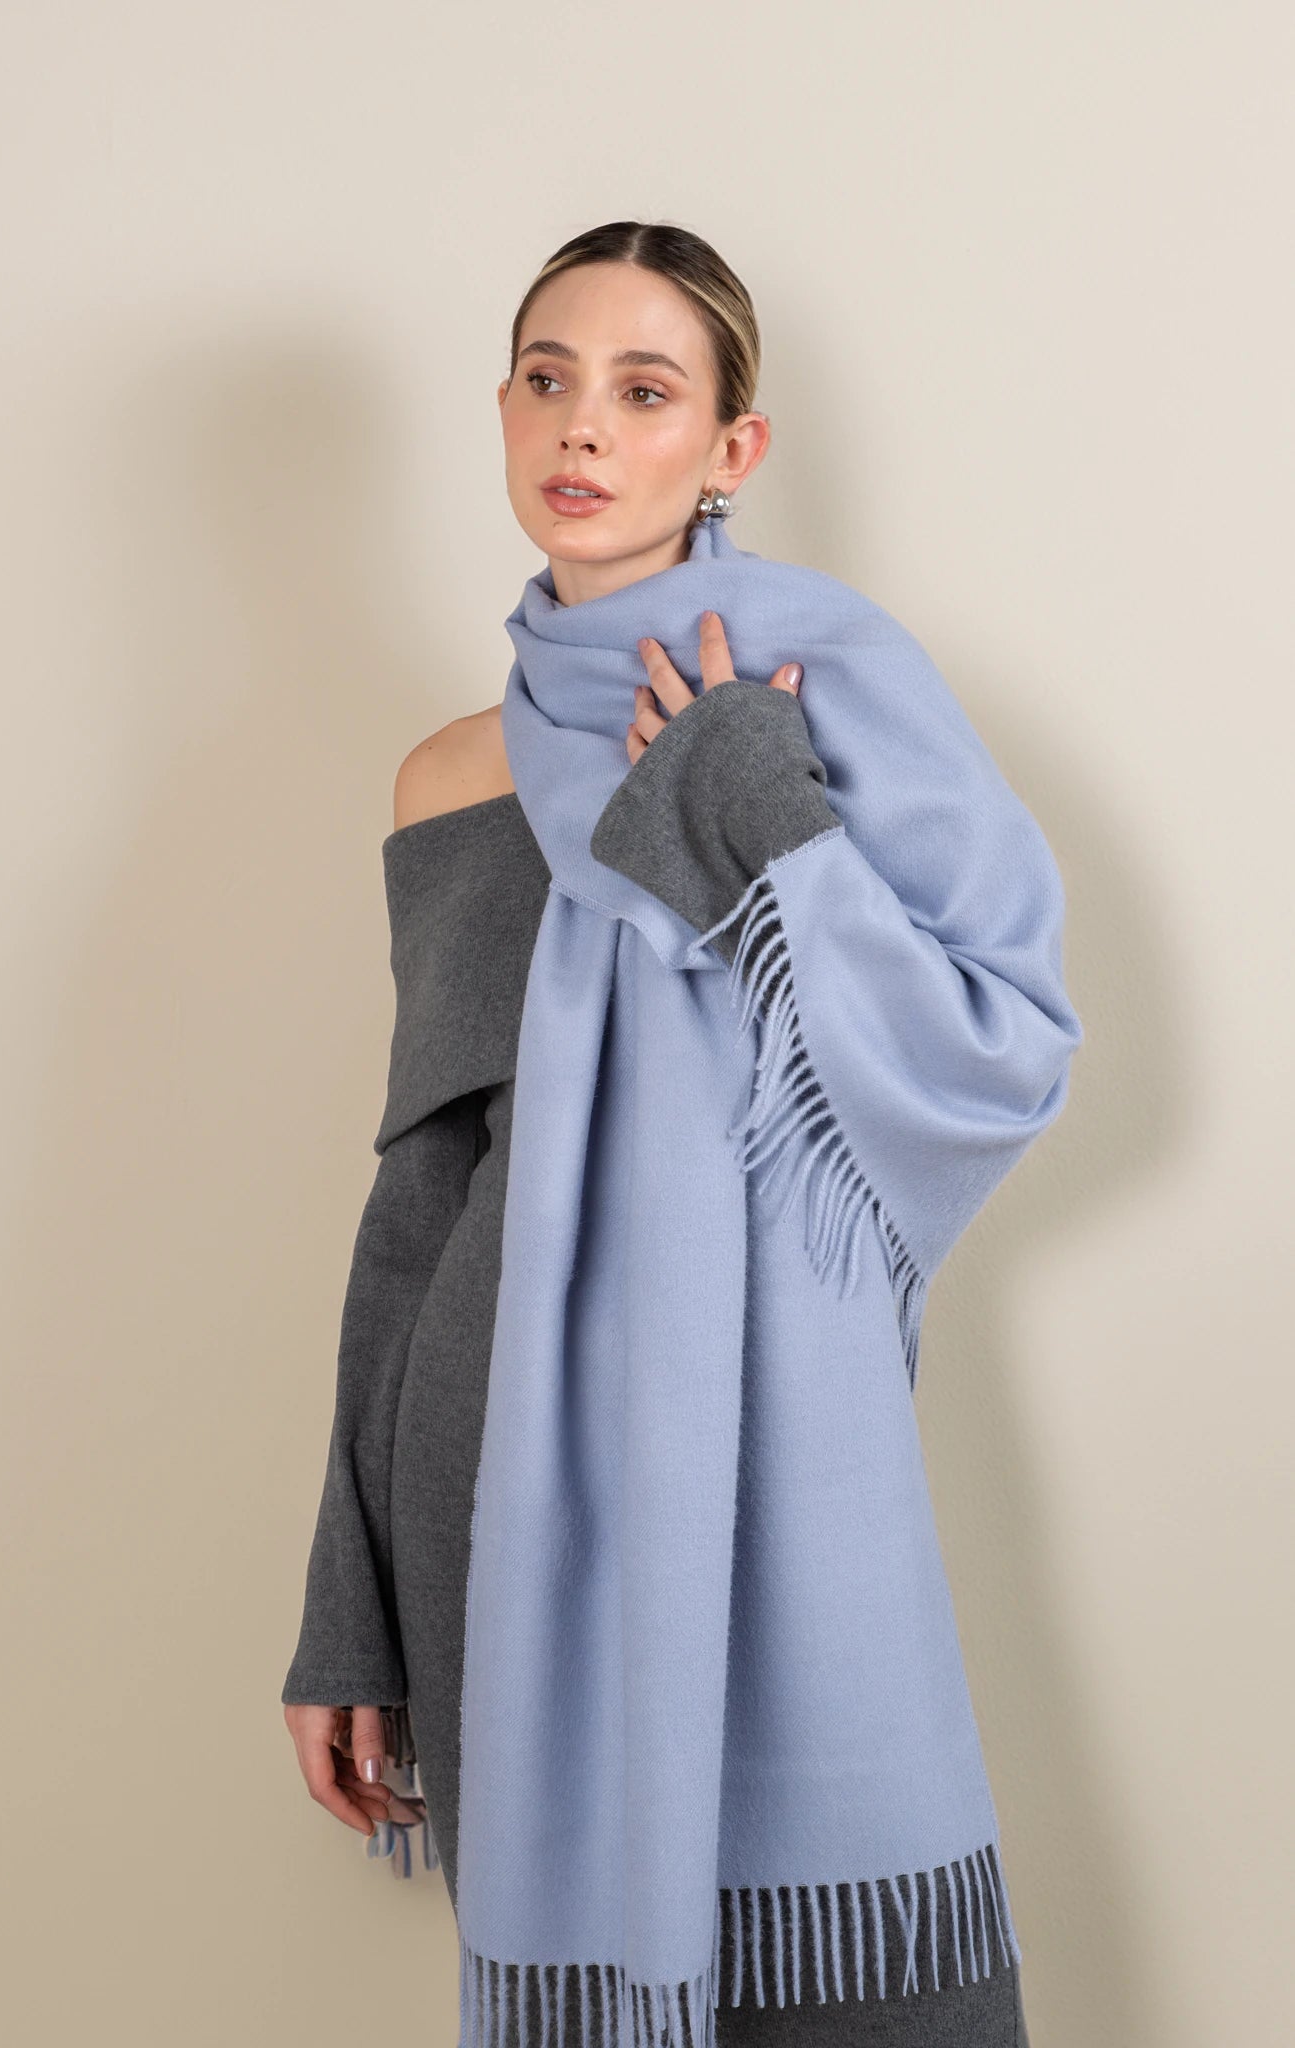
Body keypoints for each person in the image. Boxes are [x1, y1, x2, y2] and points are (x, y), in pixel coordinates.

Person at [283, 220, 1069, 2045]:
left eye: (644, 392)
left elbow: (994, 1053)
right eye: (547, 380)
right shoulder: (446, 773)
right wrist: (350, 1611)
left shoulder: (834, 692)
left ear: (731, 450)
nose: (582, 428)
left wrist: (755, 812)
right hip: (503, 1503)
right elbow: (426, 1183)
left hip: (778, 1467)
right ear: (498, 411)